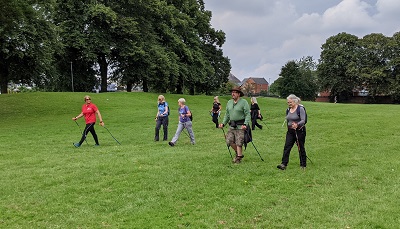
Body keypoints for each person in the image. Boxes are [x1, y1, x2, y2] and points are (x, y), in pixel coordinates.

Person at [219, 87, 251, 163]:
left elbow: (247, 114)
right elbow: (227, 114)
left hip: (241, 125)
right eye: (232, 92)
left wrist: (245, 124)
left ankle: (238, 158)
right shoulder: (229, 102)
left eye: (235, 92)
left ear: (239, 94)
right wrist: (223, 123)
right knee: (229, 140)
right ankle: (239, 153)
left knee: (239, 142)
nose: (233, 93)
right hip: (232, 125)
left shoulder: (244, 102)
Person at [277, 94, 307, 170]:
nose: (289, 104)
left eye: (290, 102)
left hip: (300, 131)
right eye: (288, 102)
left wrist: (297, 124)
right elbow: (288, 119)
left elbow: (303, 120)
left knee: (300, 147)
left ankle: (303, 164)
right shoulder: (288, 110)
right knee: (287, 146)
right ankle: (284, 164)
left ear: (295, 101)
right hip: (290, 131)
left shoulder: (300, 109)